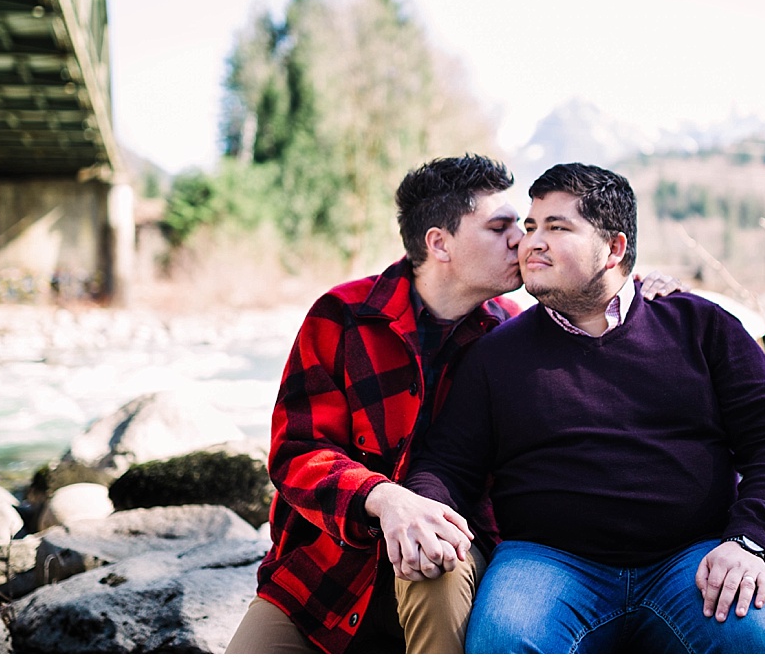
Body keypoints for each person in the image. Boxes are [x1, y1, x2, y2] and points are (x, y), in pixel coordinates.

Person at [225, 155, 680, 654]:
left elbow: (600, 341)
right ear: (439, 243)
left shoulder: (514, 334)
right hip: (327, 575)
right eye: (500, 227)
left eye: (523, 227)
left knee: (434, 563)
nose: (522, 241)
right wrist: (387, 498)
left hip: (454, 557)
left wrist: (640, 294)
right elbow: (297, 451)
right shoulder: (344, 316)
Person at [401, 162, 765, 654]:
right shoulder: (497, 351)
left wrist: (747, 542)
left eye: (557, 227)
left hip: (690, 558)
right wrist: (422, 507)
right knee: (503, 643)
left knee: (752, 642)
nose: (530, 242)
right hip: (546, 564)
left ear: (614, 248)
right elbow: (449, 463)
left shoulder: (702, 326)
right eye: (530, 227)